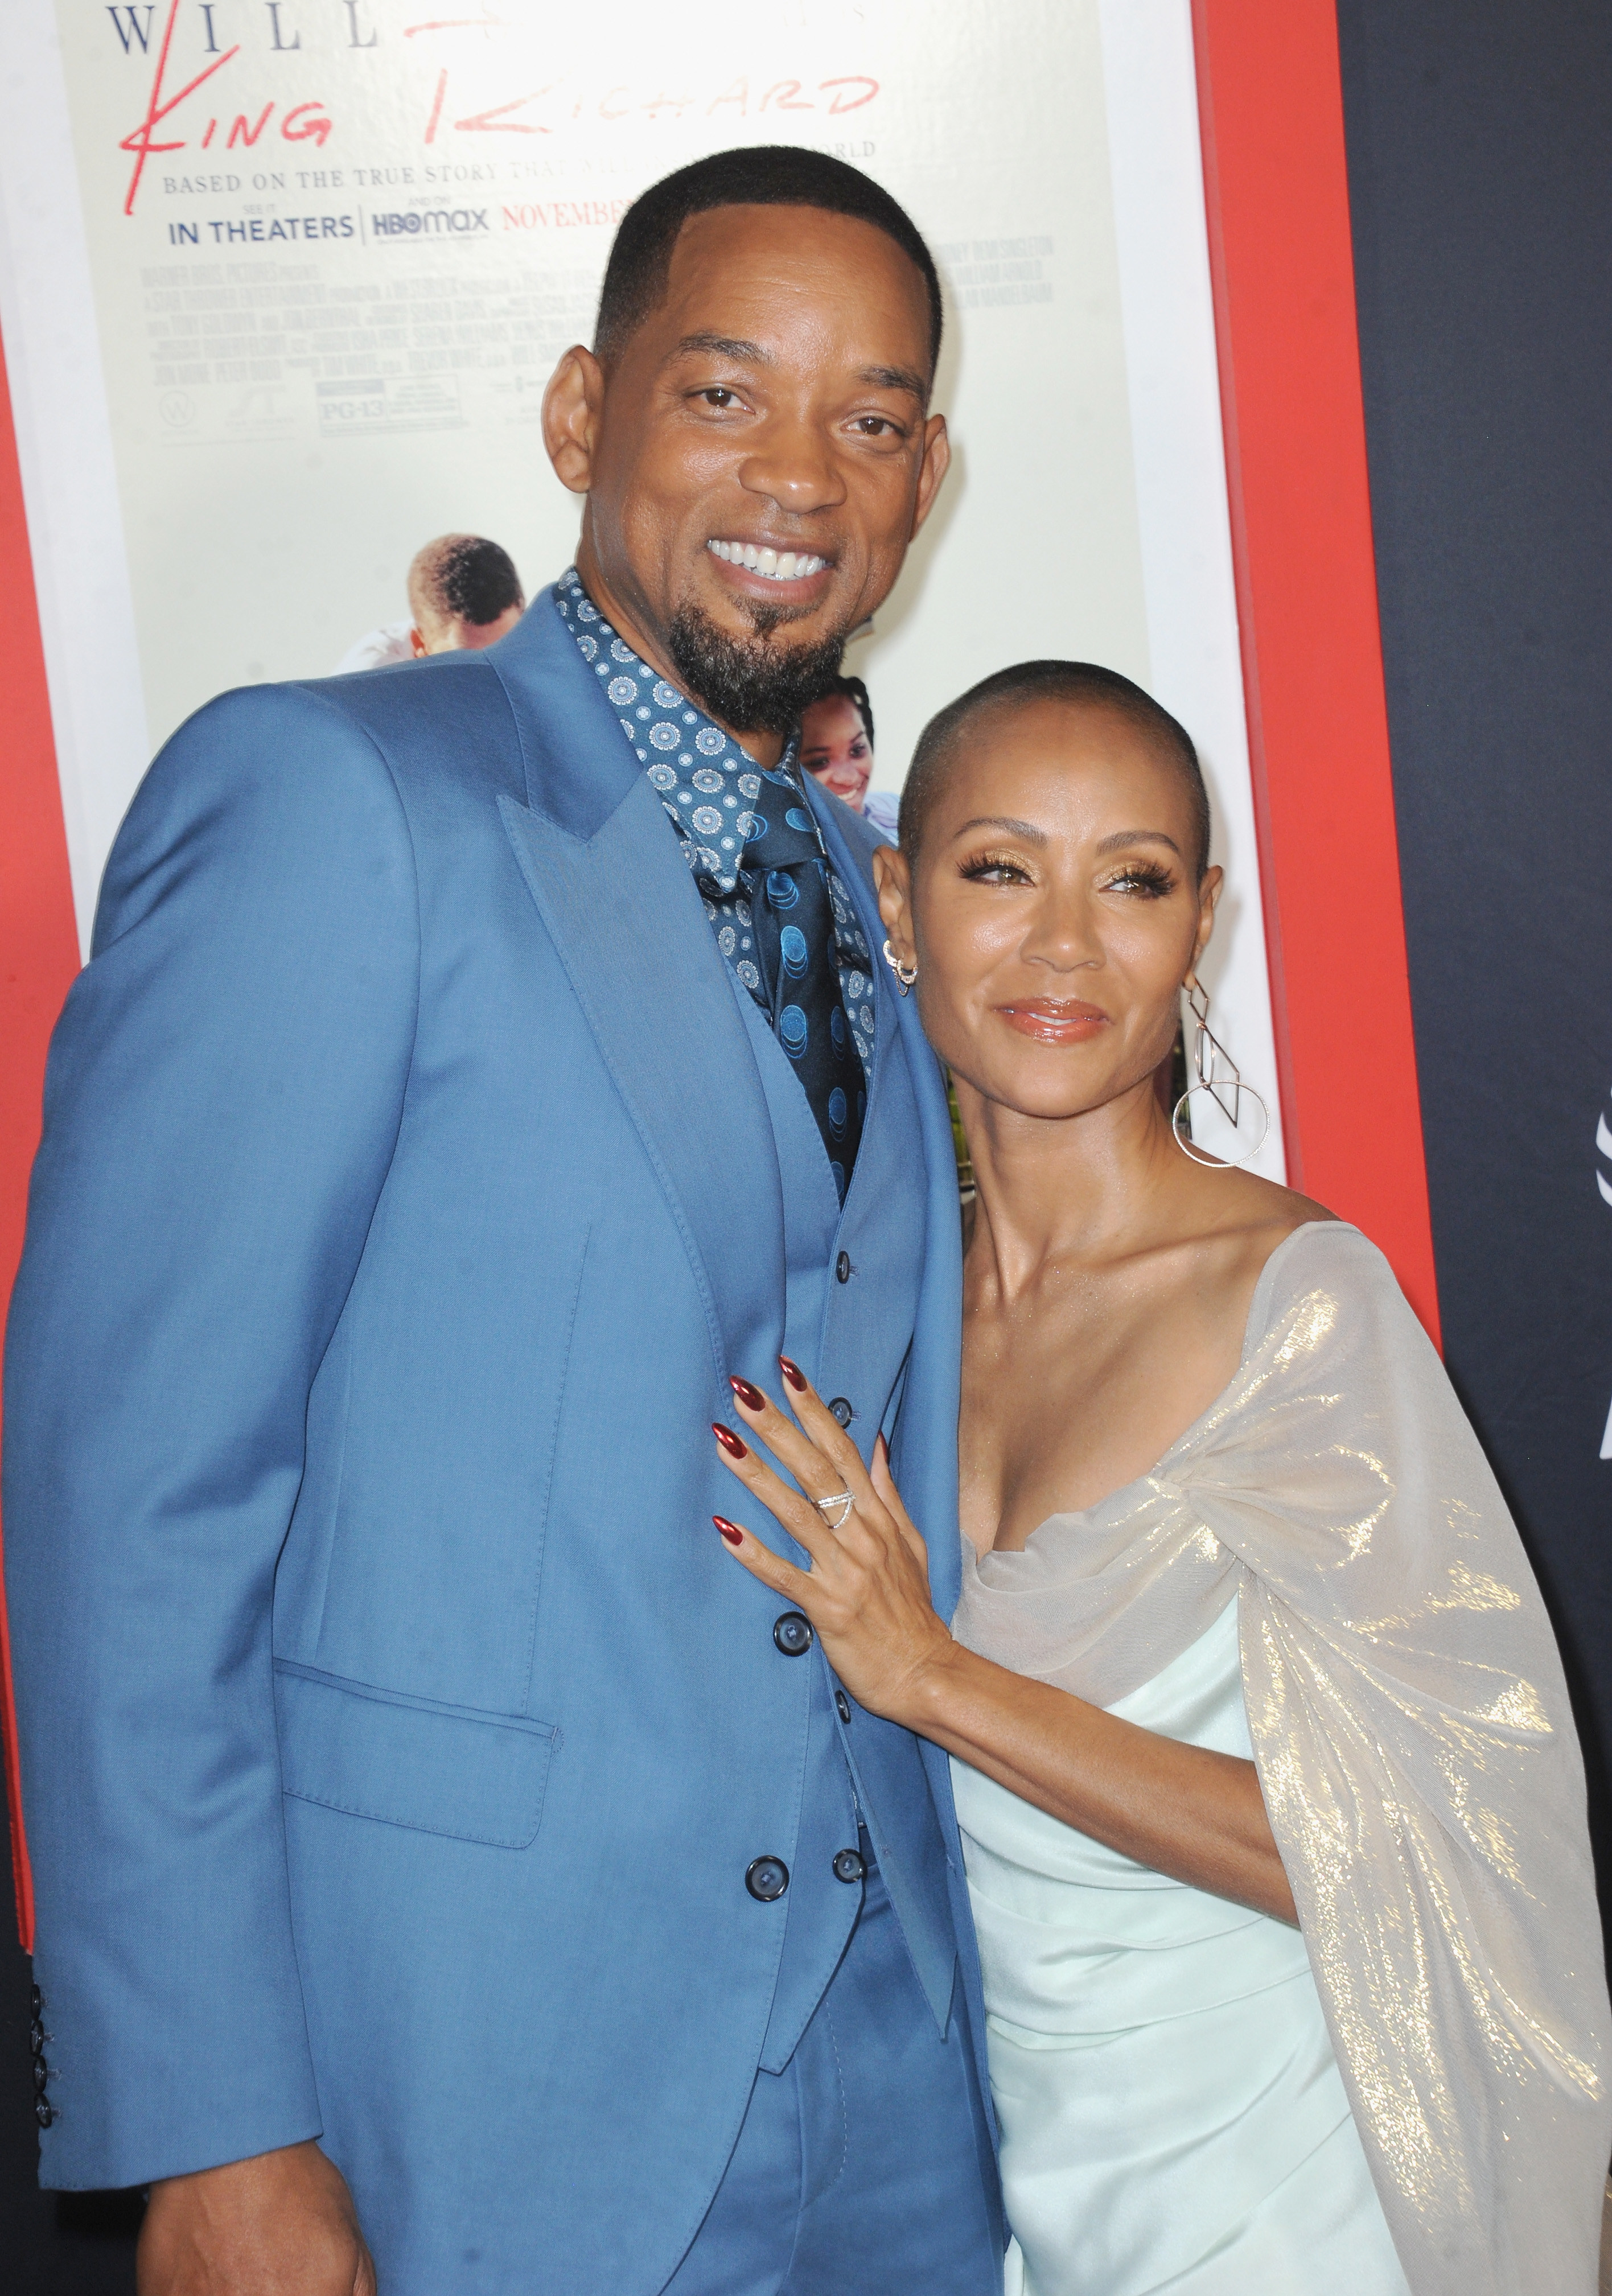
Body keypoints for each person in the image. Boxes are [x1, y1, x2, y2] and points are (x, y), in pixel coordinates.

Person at [3, 151, 1004, 2295]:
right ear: (581, 415)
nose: (802, 479)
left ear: (926, 476)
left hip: (897, 2099)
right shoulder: (327, 796)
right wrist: (213, 2121)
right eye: (725, 392)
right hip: (459, 2081)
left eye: (873, 419)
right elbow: (134, 1488)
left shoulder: (867, 884)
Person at [708, 660, 1612, 2296]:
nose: (1064, 945)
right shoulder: (884, 1316)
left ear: (1202, 920)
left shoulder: (1294, 1304)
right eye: (1001, 870)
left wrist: (934, 1675)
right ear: (898, 900)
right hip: (1010, 2197)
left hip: (1298, 2192)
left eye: (1129, 880)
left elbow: (1430, 1847)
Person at [332, 532, 525, 670]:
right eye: (468, 665)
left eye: (505, 652)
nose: (494, 676)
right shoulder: (369, 690)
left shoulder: (547, 646)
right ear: (420, 646)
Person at [800, 672, 899, 837]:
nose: (849, 778)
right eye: (820, 762)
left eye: (857, 751)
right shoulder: (798, 857)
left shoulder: (893, 808)